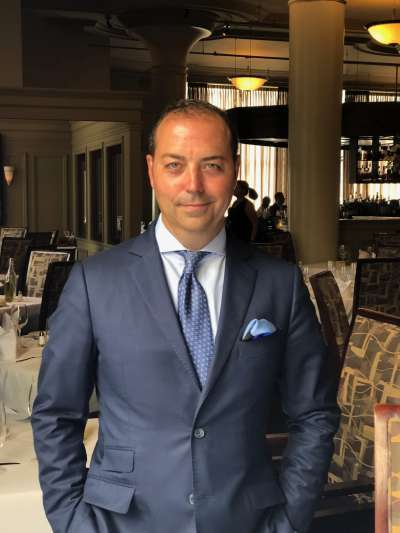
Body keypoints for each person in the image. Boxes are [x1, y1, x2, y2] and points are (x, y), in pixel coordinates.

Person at [32, 99, 339, 533]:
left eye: (211, 165)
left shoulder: (280, 285)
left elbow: (315, 414)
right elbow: (56, 415)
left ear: (234, 170)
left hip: (248, 521)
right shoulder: (93, 283)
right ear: (151, 170)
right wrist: (73, 522)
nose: (193, 185)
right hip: (121, 522)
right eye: (175, 165)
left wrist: (288, 520)